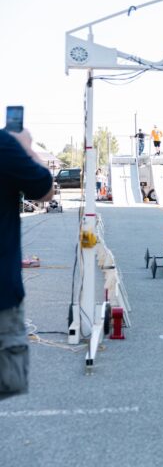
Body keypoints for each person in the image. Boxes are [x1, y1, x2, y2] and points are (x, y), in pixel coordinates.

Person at [1, 127, 54, 400]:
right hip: (2, 297)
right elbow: (45, 191)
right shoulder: (5, 145)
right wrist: (27, 148)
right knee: (6, 382)